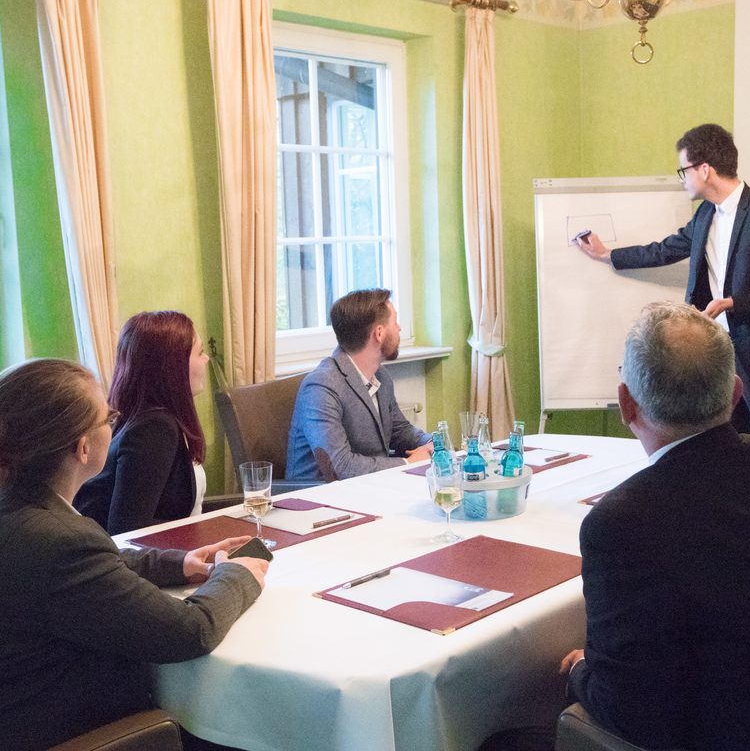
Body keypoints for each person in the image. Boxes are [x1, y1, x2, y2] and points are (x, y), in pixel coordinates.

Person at [559, 302, 750, 750]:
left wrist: (579, 670)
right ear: (735, 394)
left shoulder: (621, 522)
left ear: (626, 404)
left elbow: (630, 710)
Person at [0, 358, 268, 751]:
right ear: (84, 446)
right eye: (109, 417)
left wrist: (181, 563)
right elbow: (190, 631)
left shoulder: (24, 514)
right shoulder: (59, 540)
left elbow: (100, 563)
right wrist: (239, 575)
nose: (115, 425)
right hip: (85, 731)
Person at [577, 123, 750, 454]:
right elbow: (665, 249)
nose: (682, 178)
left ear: (705, 169)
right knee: (723, 453)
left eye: (684, 170)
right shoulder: (705, 215)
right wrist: (608, 254)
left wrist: (733, 304)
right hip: (717, 361)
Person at [75, 310, 210, 533]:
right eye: (200, 353)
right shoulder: (154, 428)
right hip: (149, 562)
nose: (206, 359)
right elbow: (129, 529)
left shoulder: (140, 417)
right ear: (173, 366)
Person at [286, 288, 432, 481]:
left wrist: (433, 444)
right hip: (319, 499)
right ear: (379, 333)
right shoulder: (321, 387)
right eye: (395, 322)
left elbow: (400, 431)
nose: (399, 328)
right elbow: (341, 466)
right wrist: (408, 463)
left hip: (368, 488)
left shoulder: (380, 376)